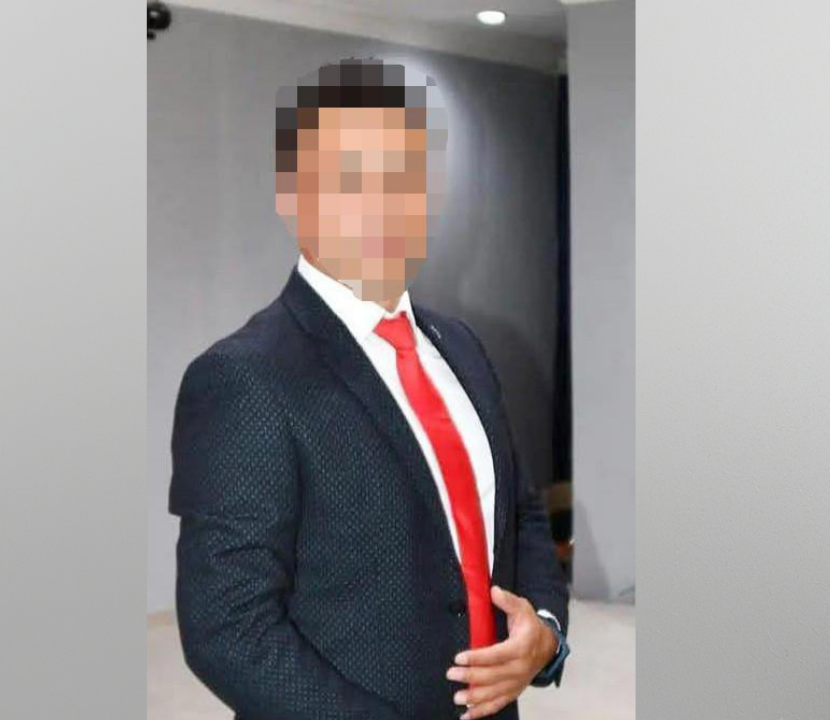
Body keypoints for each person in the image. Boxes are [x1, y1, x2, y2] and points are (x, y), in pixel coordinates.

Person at [169, 58, 570, 720]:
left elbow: (518, 512)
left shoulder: (464, 349)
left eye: (403, 175)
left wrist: (546, 632)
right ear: (293, 197)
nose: (384, 202)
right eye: (351, 176)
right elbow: (228, 629)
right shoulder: (244, 378)